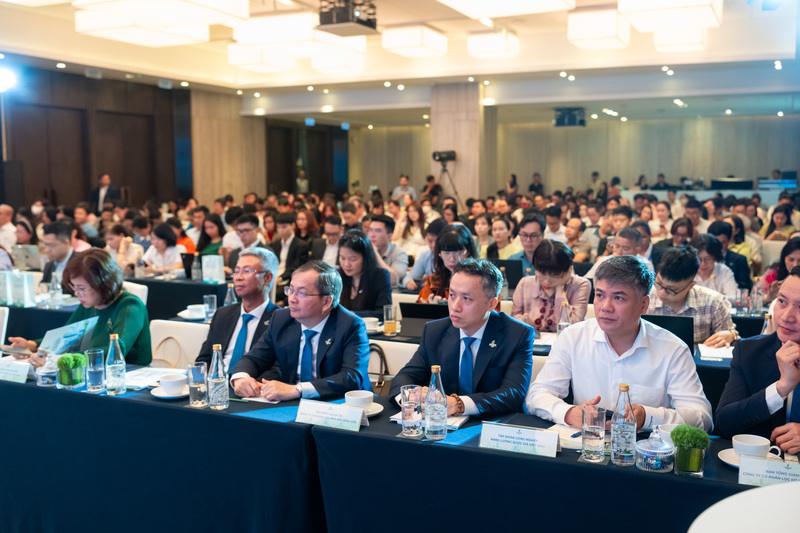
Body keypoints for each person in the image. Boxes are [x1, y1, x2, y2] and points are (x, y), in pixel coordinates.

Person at [526, 255, 712, 430]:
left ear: (644, 304)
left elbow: (702, 418)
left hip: (644, 447)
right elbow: (537, 394)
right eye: (600, 295)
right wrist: (569, 413)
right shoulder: (573, 337)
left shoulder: (673, 349)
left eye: (618, 298)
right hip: (587, 442)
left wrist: (647, 417)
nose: (605, 307)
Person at [390, 259, 534, 417]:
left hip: (495, 423)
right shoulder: (434, 331)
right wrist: (410, 398)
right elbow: (405, 377)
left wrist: (459, 404)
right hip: (444, 423)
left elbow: (513, 394)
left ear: (491, 304)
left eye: (467, 298)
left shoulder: (517, 334)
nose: (455, 306)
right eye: (452, 295)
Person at [230, 261, 371, 401]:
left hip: (338, 403)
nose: (292, 299)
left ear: (327, 301)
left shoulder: (351, 325)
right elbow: (254, 358)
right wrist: (241, 377)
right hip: (291, 403)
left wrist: (298, 389)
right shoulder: (281, 319)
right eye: (291, 290)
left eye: (302, 293)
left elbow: (351, 377)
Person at [11, 249, 151, 366]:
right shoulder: (90, 304)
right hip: (94, 371)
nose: (77, 293)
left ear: (104, 284)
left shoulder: (130, 305)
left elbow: (115, 351)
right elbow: (64, 338)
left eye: (82, 288)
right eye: (74, 287)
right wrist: (32, 345)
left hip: (129, 375)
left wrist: (61, 360)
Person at [715, 268, 800, 452]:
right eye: (782, 302)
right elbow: (724, 424)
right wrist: (780, 389)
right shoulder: (749, 351)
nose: (786, 317)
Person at [196, 248, 281, 372]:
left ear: (267, 278)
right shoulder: (222, 314)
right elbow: (204, 359)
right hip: (217, 380)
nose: (238, 277)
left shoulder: (279, 320)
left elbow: (277, 369)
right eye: (236, 271)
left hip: (252, 382)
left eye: (247, 271)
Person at [647, 246, 738, 347]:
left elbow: (730, 337)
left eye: (671, 290)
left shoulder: (714, 302)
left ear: (690, 286)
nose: (662, 292)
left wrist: (731, 335)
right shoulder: (646, 298)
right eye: (659, 283)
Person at [512, 239, 590, 331]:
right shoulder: (525, 283)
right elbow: (513, 320)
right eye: (542, 274)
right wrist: (525, 324)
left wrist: (560, 290)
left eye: (555, 276)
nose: (547, 281)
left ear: (568, 270)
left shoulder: (580, 284)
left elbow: (574, 327)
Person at [337, 230, 391, 320]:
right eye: (342, 258)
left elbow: (384, 312)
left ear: (366, 258)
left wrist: (351, 314)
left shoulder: (380, 276)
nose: (346, 264)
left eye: (352, 259)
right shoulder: (337, 276)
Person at [418, 225, 478, 303]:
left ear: (469, 251)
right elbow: (418, 306)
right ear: (439, 254)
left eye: (458, 253)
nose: (452, 259)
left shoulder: (480, 281)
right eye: (446, 253)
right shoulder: (433, 281)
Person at [585, 227, 653, 278]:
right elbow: (587, 280)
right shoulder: (604, 261)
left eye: (625, 249)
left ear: (637, 250)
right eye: (617, 246)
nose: (619, 251)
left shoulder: (645, 265)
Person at [402, 219, 448, 290]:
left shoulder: (452, 257)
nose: (433, 246)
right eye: (430, 241)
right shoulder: (425, 255)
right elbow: (409, 277)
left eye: (437, 241)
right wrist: (409, 282)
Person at [269, 211, 311, 288]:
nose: (280, 230)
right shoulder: (275, 244)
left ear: (293, 225)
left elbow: (296, 267)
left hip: (289, 280)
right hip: (274, 277)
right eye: (278, 227)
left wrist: (281, 278)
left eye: (284, 227)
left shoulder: (301, 245)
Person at [708, 220, 752, 291]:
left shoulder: (739, 260)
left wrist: (727, 284)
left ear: (729, 240)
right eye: (715, 243)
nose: (719, 247)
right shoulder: (701, 259)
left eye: (723, 243)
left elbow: (745, 286)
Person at [690, 234, 737, 298]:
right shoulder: (687, 272)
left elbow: (733, 297)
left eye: (708, 259)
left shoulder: (724, 271)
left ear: (715, 257)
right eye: (698, 259)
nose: (703, 263)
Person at [367, 214, 408, 287]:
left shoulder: (399, 253)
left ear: (389, 236)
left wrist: (375, 253)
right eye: (370, 230)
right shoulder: (363, 251)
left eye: (378, 231)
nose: (372, 235)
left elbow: (392, 280)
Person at [761, 237, 800, 305]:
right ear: (784, 258)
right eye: (791, 260)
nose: (795, 265)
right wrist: (769, 297)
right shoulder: (773, 272)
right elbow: (754, 298)